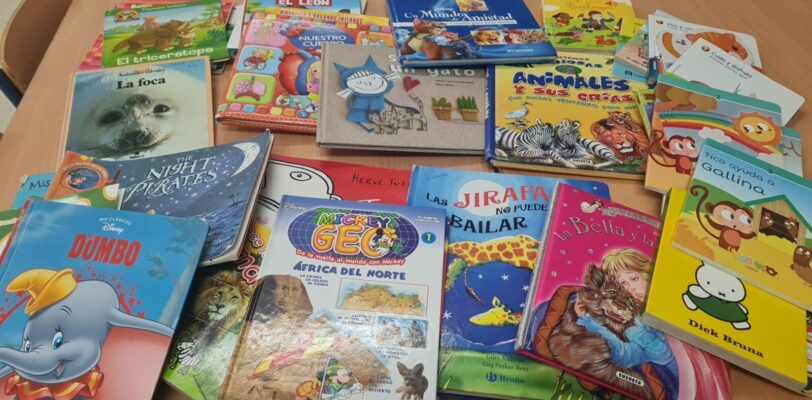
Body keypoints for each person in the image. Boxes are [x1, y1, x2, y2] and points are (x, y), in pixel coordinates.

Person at [574, 248, 679, 379]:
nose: (630, 287)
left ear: (647, 274)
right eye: (622, 283)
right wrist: (590, 322)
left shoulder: (669, 297)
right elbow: (627, 356)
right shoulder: (632, 324)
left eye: (634, 278)